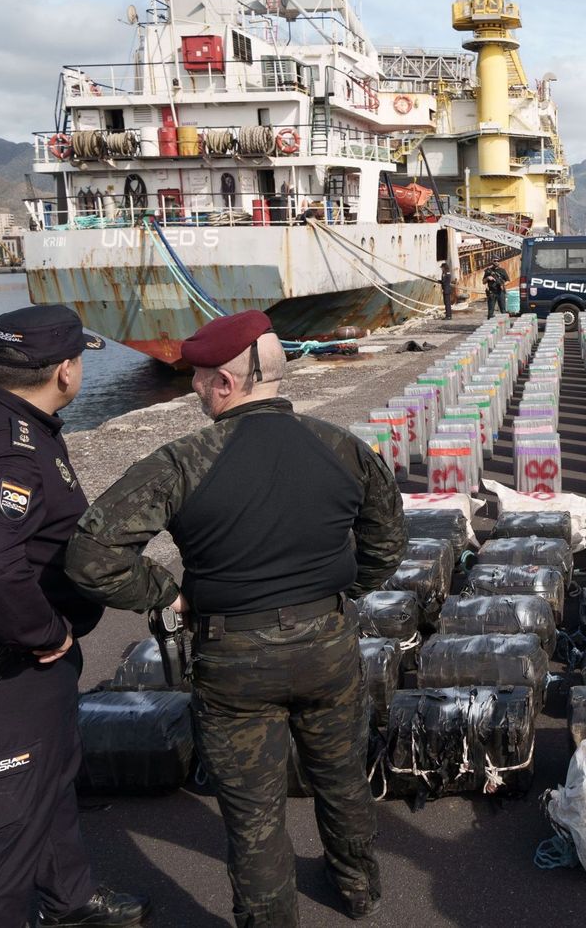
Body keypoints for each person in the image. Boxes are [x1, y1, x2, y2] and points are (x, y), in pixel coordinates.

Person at [66, 310, 402, 927]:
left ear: (225, 382)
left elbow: (91, 556)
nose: (194, 387)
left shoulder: (184, 461)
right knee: (342, 777)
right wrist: (336, 592)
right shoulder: (344, 448)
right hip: (327, 645)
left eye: (198, 377)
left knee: (253, 814)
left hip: (233, 658)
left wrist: (169, 594)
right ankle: (358, 887)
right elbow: (386, 545)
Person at [0, 305, 150, 928]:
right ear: (65, 370)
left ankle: (68, 899)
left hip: (3, 659)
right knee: (1, 836)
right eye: (80, 360)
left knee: (50, 780)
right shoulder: (8, 450)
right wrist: (46, 632)